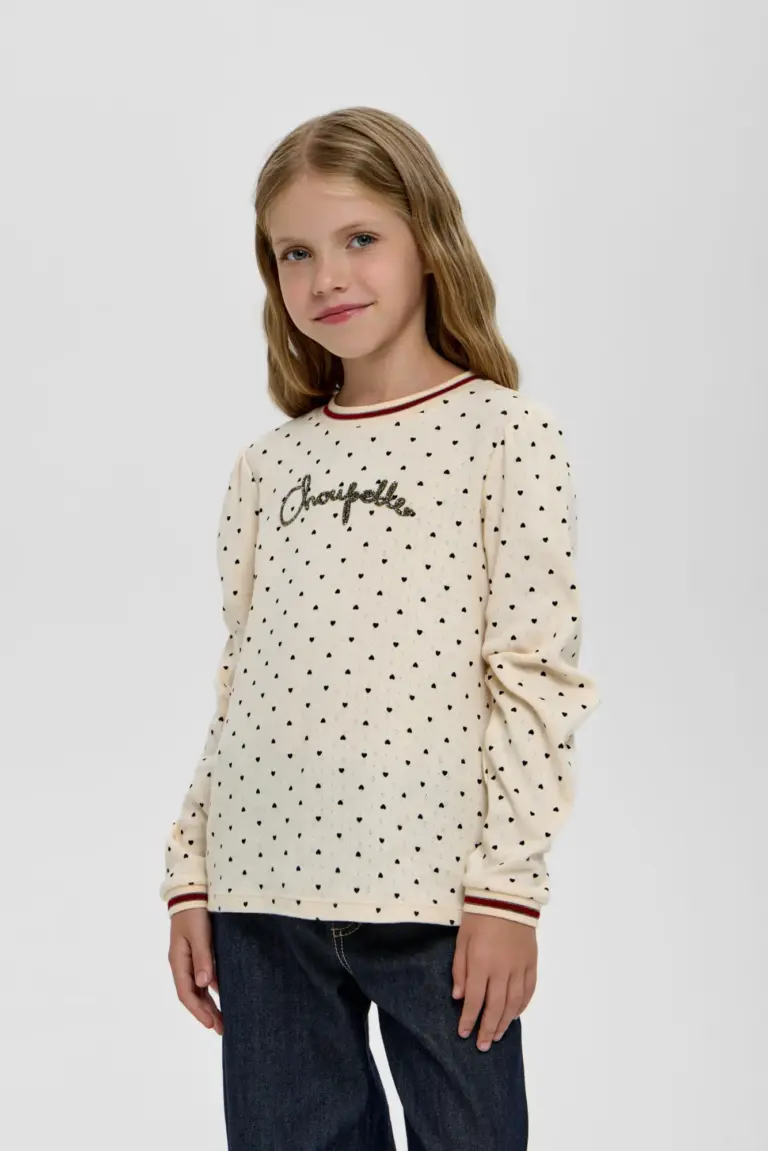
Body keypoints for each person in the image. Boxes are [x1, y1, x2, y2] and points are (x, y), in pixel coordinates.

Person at [160, 105, 601, 1151]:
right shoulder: (269, 465)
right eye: (295, 253)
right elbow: (240, 679)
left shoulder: (509, 435)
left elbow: (534, 678)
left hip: (436, 896)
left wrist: (509, 890)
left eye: (359, 238)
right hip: (260, 893)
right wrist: (189, 870)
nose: (328, 277)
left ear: (429, 239)